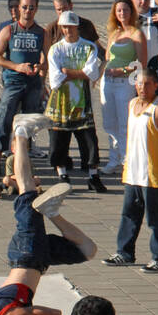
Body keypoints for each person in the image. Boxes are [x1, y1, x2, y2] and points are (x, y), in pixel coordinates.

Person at [0, 124, 96, 315]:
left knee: (28, 191)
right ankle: (52, 212)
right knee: (89, 250)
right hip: (36, 257)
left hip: (28, 253)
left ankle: (21, 132)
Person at [101, 66, 158, 272]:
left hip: (152, 173)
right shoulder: (132, 103)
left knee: (155, 217)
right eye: (140, 83)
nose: (143, 87)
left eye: (147, 84)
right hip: (132, 171)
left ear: (155, 85)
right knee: (128, 214)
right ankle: (124, 253)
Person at [45, 11, 105, 189]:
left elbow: (92, 73)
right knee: (58, 142)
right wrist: (80, 74)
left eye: (71, 27)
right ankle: (62, 174)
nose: (68, 30)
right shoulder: (55, 49)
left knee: (90, 141)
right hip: (60, 103)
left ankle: (93, 175)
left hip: (81, 103)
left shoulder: (88, 48)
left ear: (77, 27)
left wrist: (69, 73)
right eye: (64, 27)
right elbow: (55, 79)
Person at [0, 0, 46, 179]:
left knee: (28, 124)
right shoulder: (9, 30)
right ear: (18, 8)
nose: (27, 11)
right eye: (24, 7)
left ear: (36, 9)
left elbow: (47, 57)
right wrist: (16, 66)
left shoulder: (40, 32)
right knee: (4, 118)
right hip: (13, 81)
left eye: (31, 8)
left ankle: (24, 163)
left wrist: (40, 66)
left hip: (33, 83)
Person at [102, 0, 149, 177]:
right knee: (109, 123)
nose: (122, 14)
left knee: (124, 123)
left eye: (125, 10)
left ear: (131, 12)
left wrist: (121, 70)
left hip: (124, 83)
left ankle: (126, 161)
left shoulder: (137, 34)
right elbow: (107, 57)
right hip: (108, 82)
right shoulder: (114, 33)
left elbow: (141, 63)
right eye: (119, 10)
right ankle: (113, 159)